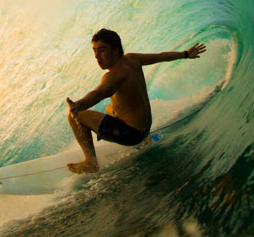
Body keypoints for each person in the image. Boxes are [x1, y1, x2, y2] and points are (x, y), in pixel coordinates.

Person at [65, 28, 206, 173]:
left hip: (131, 135)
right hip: (145, 129)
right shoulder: (132, 59)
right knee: (109, 108)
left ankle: (91, 162)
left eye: (101, 50)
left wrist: (78, 105)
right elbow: (160, 56)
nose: (96, 56)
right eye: (94, 50)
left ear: (115, 50)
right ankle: (145, 140)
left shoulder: (113, 77)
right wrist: (186, 54)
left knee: (75, 116)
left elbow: (98, 93)